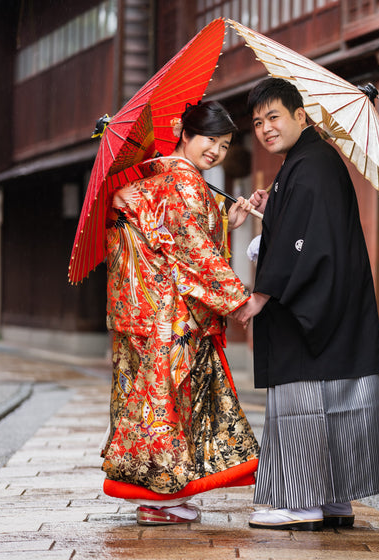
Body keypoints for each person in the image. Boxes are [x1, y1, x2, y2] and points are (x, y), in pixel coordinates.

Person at [231, 77, 379, 531]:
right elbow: (303, 228)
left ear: (300, 115)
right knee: (336, 399)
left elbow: (304, 241)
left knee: (303, 400)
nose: (265, 128)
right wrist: (275, 204)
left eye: (274, 117)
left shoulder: (310, 165)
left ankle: (301, 500)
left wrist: (262, 292)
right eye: (258, 122)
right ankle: (333, 498)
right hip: (336, 306)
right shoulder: (307, 162)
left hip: (311, 310)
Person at [101, 100, 260, 525]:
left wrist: (227, 221)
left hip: (148, 313)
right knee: (168, 400)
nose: (217, 151)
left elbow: (175, 240)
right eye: (211, 140)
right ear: (186, 134)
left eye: (225, 145)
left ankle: (160, 494)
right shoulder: (185, 183)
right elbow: (191, 248)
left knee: (153, 399)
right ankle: (159, 499)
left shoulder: (163, 176)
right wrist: (237, 299)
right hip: (172, 316)